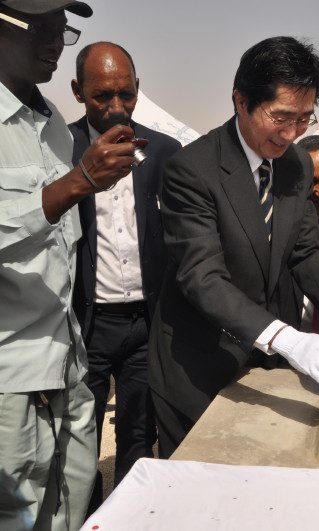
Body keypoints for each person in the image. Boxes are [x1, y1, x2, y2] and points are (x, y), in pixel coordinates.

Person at [148, 37, 319, 457]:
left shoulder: (296, 164)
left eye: (304, 119)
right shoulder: (191, 170)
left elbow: (305, 247)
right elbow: (203, 277)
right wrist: (289, 340)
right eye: (281, 117)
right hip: (199, 361)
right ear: (241, 100)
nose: (291, 133)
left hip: (262, 365)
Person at [0, 1, 144, 527]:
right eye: (40, 26)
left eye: (62, 28)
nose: (55, 42)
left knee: (68, 509)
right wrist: (77, 182)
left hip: (67, 362)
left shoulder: (52, 125)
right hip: (12, 375)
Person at [68, 42, 181, 496]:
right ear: (78, 92)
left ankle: (130, 515)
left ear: (138, 89)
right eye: (102, 96)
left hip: (146, 324)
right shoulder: (61, 149)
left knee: (138, 435)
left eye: (127, 94)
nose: (116, 107)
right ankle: (87, 517)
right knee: (80, 439)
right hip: (86, 326)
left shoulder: (164, 151)